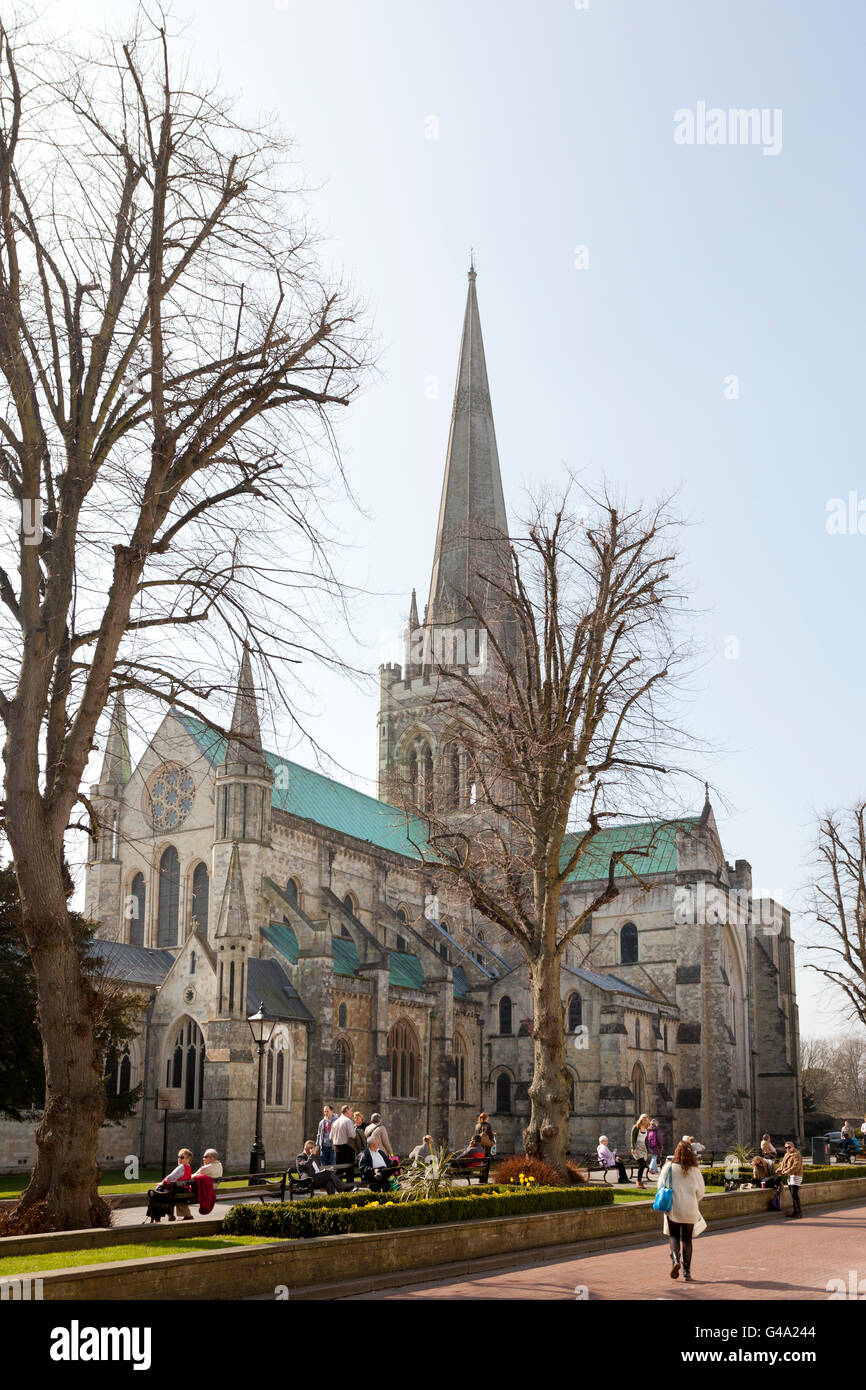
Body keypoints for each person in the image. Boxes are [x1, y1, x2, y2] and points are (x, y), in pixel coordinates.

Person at [657, 1140, 706, 1283]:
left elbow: (661, 1186)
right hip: (690, 1208)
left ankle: (676, 1259)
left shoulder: (669, 1167)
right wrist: (693, 1199)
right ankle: (687, 1272)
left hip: (674, 1208)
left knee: (673, 1236)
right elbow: (701, 1192)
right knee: (687, 1240)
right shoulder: (695, 1170)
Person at [162, 1147, 193, 1223]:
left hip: (178, 1190)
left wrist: (163, 1182)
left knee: (161, 1194)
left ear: (187, 1159)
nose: (179, 1158)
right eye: (178, 1157)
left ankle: (169, 1215)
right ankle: (187, 1215)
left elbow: (171, 1177)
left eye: (182, 1157)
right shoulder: (188, 1167)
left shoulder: (181, 1167)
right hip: (184, 1190)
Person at [330, 1104, 357, 1181]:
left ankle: (339, 1187)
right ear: (346, 1111)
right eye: (350, 1111)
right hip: (346, 1147)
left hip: (336, 1148)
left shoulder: (335, 1122)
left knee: (339, 1169)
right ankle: (350, 1187)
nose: (351, 1112)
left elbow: (330, 1137)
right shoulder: (348, 1121)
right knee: (349, 1169)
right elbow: (353, 1135)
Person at [777, 1140, 804, 1217]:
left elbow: (796, 1166)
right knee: (793, 1195)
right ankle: (795, 1212)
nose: (787, 1149)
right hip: (790, 1176)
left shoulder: (797, 1154)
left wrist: (787, 1171)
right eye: (786, 1147)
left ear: (793, 1147)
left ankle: (799, 1212)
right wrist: (780, 1169)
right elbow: (783, 1165)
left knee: (794, 1194)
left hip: (796, 1175)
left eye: (789, 1147)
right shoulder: (786, 1155)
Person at [630, 1114, 651, 1188]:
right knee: (643, 1164)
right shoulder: (636, 1127)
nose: (645, 1121)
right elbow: (632, 1138)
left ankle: (639, 1182)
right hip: (637, 1147)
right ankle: (638, 1182)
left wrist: (648, 1151)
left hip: (643, 1148)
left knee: (642, 1166)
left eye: (646, 1119)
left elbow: (646, 1141)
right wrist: (633, 1148)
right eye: (643, 1119)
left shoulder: (646, 1128)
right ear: (641, 1119)